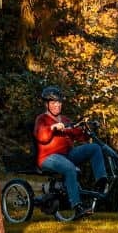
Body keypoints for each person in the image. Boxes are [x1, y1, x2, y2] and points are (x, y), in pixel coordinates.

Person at [33, 85, 107, 219]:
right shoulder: (42, 119)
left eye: (59, 102)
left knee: (95, 148)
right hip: (48, 158)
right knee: (70, 168)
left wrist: (89, 129)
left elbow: (80, 136)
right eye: (54, 102)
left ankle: (101, 180)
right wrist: (53, 127)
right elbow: (41, 137)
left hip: (67, 155)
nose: (57, 105)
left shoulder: (65, 120)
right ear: (47, 104)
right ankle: (77, 207)